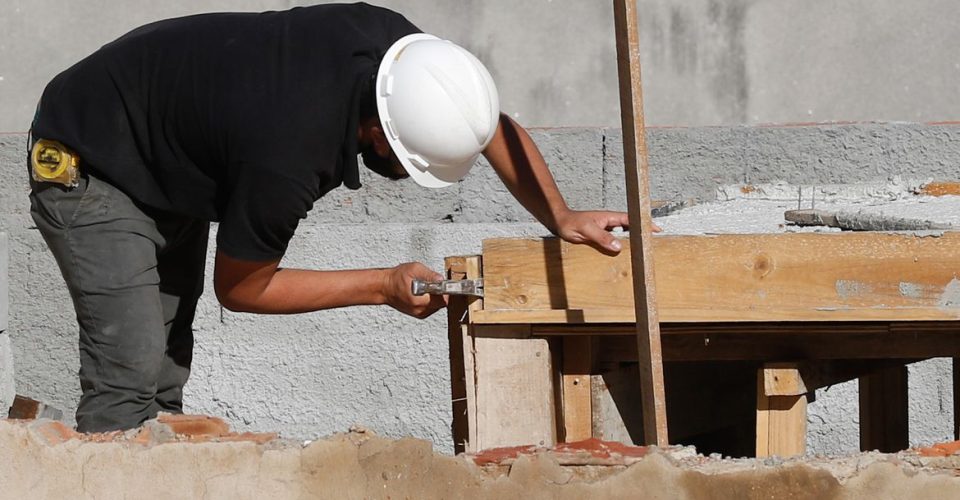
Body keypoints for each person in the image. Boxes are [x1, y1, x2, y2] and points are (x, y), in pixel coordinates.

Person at [28, 3, 638, 433]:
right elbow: (242, 288)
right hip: (91, 159)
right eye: (408, 163)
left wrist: (561, 215)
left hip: (169, 146)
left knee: (162, 376)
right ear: (376, 130)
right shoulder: (288, 155)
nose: (408, 176)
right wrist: (380, 285)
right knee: (131, 375)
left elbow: (485, 125)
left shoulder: (403, 58)